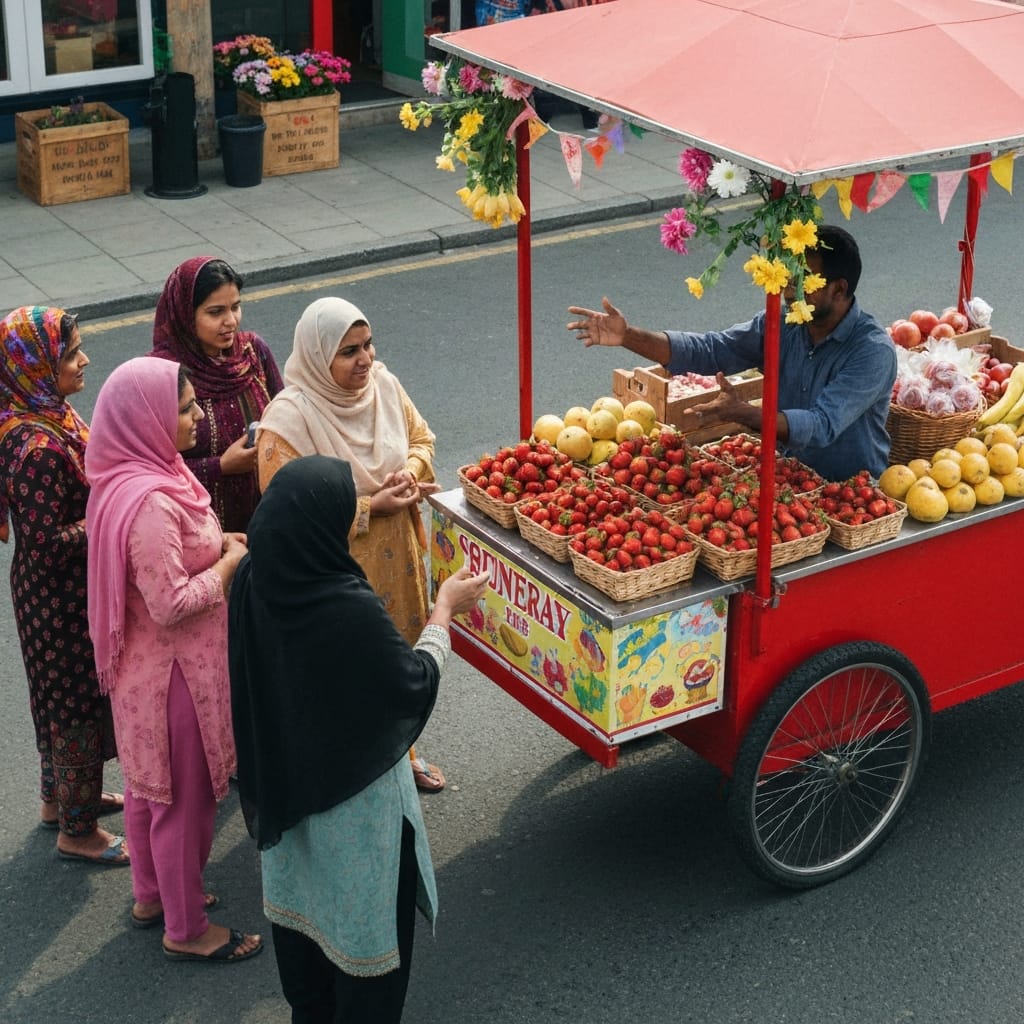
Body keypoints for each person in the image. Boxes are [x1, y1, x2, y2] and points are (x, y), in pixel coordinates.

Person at [228, 454, 488, 1023]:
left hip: (288, 788)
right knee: (365, 959)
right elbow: (412, 685)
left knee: (309, 953)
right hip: (356, 815)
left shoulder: (255, 576)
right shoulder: (344, 608)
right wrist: (444, 609)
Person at [85, 356, 262, 962]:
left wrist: (219, 544)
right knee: (184, 803)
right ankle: (186, 930)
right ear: (147, 419)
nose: (195, 417)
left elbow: (170, 564)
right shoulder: (152, 502)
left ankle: (153, 894)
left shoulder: (131, 476)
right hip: (174, 680)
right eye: (183, 407)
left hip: (144, 673)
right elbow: (169, 601)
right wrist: (228, 566)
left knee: (148, 791)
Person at [256, 297, 448, 793]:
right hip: (336, 572)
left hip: (398, 559)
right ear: (319, 357)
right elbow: (287, 520)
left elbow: (423, 439)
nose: (365, 359)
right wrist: (368, 508)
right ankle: (358, 772)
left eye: (367, 345)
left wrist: (410, 470)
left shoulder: (383, 385)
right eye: (348, 352)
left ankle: (401, 752)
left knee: (398, 661)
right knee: (345, 675)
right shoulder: (288, 420)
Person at [567, 225, 897, 480]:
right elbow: (714, 349)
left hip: (852, 492)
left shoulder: (871, 352)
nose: (787, 290)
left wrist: (742, 413)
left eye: (802, 281)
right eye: (788, 278)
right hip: (786, 475)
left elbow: (822, 425)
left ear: (839, 289)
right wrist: (627, 336)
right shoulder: (781, 323)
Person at [0, 306, 126, 864]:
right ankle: (77, 833)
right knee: (74, 702)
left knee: (53, 698)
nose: (84, 361)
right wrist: (108, 515)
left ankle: (63, 799)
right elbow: (48, 541)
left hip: (50, 593)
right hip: (59, 598)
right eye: (71, 354)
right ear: (36, 368)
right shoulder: (38, 449)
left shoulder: (46, 415)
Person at [150, 256, 283, 533]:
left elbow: (285, 413)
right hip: (198, 530)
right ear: (186, 314)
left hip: (267, 516)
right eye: (215, 312)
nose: (230, 321)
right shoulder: (161, 376)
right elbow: (149, 469)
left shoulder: (253, 352)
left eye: (236, 307)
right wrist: (220, 466)